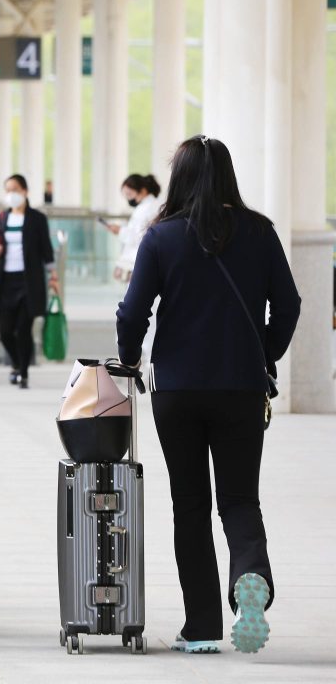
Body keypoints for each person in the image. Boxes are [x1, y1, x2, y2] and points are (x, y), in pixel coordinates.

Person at [116, 136, 299, 655]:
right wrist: (264, 354)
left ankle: (200, 626)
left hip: (177, 389)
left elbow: (133, 312)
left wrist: (130, 358)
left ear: (179, 177)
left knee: (190, 504)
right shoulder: (260, 232)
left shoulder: (162, 236)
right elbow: (287, 305)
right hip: (241, 386)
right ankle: (250, 582)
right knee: (240, 499)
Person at [0, 174, 57, 389]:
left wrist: (53, 275)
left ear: (25, 191)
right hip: (6, 281)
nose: (11, 194)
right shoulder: (1, 218)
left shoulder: (37, 218)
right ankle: (17, 364)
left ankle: (24, 373)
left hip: (30, 281)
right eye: (8, 190)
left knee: (24, 328)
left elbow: (46, 248)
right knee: (6, 330)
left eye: (15, 189)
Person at [109, 173, 162, 282]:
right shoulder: (147, 206)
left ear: (142, 191)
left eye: (129, 194)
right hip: (142, 260)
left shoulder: (146, 208)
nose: (128, 199)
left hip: (141, 261)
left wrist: (120, 231)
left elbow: (139, 236)